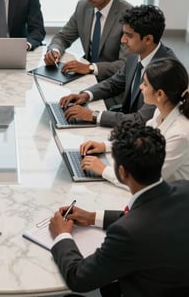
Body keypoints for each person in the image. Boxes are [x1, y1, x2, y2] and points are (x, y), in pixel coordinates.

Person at [49, 122, 189, 296]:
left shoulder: (127, 233)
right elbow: (151, 217)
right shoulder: (184, 188)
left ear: (122, 172)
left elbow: (78, 278)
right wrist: (92, 217)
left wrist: (62, 236)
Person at [59, 4, 177, 128]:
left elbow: (142, 120)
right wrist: (86, 95)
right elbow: (114, 83)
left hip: (143, 135)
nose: (123, 40)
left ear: (148, 39)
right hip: (126, 124)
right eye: (123, 34)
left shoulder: (167, 72)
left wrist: (94, 115)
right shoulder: (136, 54)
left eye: (129, 35)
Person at [80, 58, 189, 186]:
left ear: (160, 94)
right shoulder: (161, 111)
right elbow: (141, 138)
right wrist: (106, 146)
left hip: (173, 200)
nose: (140, 86)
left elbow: (149, 181)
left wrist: (104, 170)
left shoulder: (181, 135)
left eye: (145, 84)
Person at [44, 0, 132, 82]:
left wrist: (90, 68)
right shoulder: (83, 6)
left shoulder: (128, 13)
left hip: (112, 82)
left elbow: (126, 63)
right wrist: (54, 51)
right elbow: (63, 37)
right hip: (84, 75)